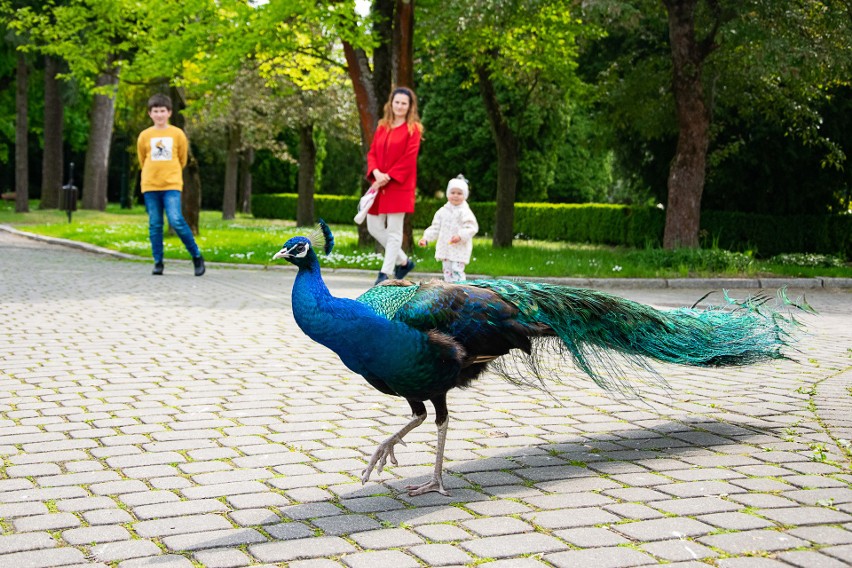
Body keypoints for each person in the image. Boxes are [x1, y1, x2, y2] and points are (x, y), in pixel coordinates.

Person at [137, 93, 205, 277]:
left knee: (175, 219)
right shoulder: (145, 135)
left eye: (162, 111)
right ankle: (158, 261)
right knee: (155, 223)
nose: (159, 114)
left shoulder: (177, 134)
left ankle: (196, 256)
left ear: (169, 113)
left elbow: (182, 159)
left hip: (172, 185)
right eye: (155, 111)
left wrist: (171, 173)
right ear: (150, 114)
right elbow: (143, 159)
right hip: (150, 185)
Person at [365, 86, 423, 285]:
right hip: (379, 184)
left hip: (399, 185)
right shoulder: (383, 126)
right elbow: (372, 152)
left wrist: (388, 176)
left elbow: (409, 158)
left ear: (409, 106)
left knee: (394, 231)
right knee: (373, 226)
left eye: (403, 103)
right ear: (391, 103)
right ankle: (404, 262)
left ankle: (385, 273)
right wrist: (376, 173)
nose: (399, 106)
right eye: (396, 102)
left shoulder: (413, 129)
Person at [418, 175, 479, 283]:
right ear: (447, 194)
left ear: (465, 195)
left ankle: (460, 290)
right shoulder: (442, 211)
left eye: (459, 193)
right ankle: (449, 290)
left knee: (457, 270)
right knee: (447, 270)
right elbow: (435, 227)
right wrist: (426, 238)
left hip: (459, 249)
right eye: (453, 192)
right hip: (445, 248)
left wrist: (460, 236)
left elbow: (472, 226)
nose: (455, 196)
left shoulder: (465, 211)